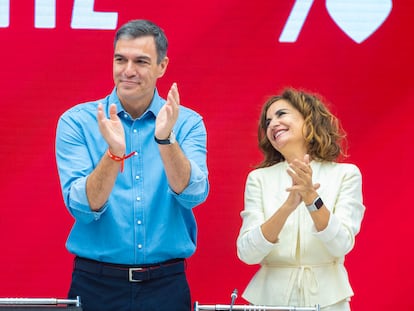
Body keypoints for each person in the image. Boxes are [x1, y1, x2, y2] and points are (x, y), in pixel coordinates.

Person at [55, 19, 209, 311]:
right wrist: (113, 154)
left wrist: (165, 139)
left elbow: (193, 194)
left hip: (166, 285)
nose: (128, 70)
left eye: (140, 61)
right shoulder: (77, 122)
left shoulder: (187, 122)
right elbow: (83, 208)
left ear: (162, 66)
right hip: (96, 284)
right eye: (120, 59)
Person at [236, 88, 365, 311]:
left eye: (281, 114)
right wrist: (288, 206)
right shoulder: (258, 179)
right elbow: (247, 253)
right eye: (267, 122)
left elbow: (342, 243)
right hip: (269, 301)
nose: (272, 124)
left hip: (329, 301)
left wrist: (311, 197)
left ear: (309, 119)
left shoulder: (346, 174)